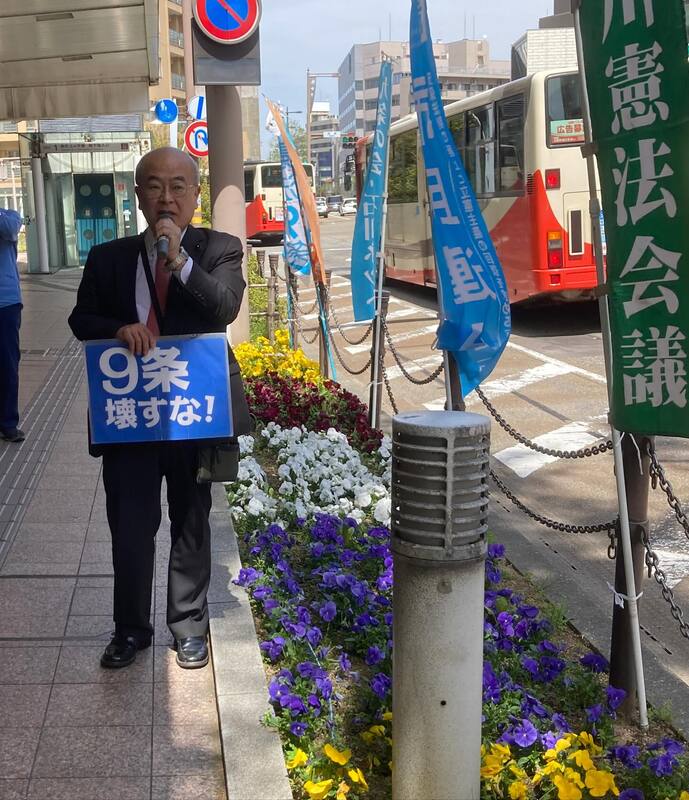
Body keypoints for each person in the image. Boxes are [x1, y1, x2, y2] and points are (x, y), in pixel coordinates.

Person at [69, 147, 251, 670]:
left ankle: (189, 627)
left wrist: (180, 261)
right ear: (138, 195)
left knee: (191, 520)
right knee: (130, 524)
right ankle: (130, 630)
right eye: (153, 186)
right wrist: (116, 329)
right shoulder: (108, 257)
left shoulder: (220, 248)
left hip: (194, 411)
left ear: (196, 194)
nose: (166, 198)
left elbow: (225, 307)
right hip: (132, 414)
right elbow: (81, 319)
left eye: (177, 186)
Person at [0, 206, 25, 443]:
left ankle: (8, 422)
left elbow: (9, 229)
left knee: (7, 364)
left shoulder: (9, 216)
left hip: (5, 303)